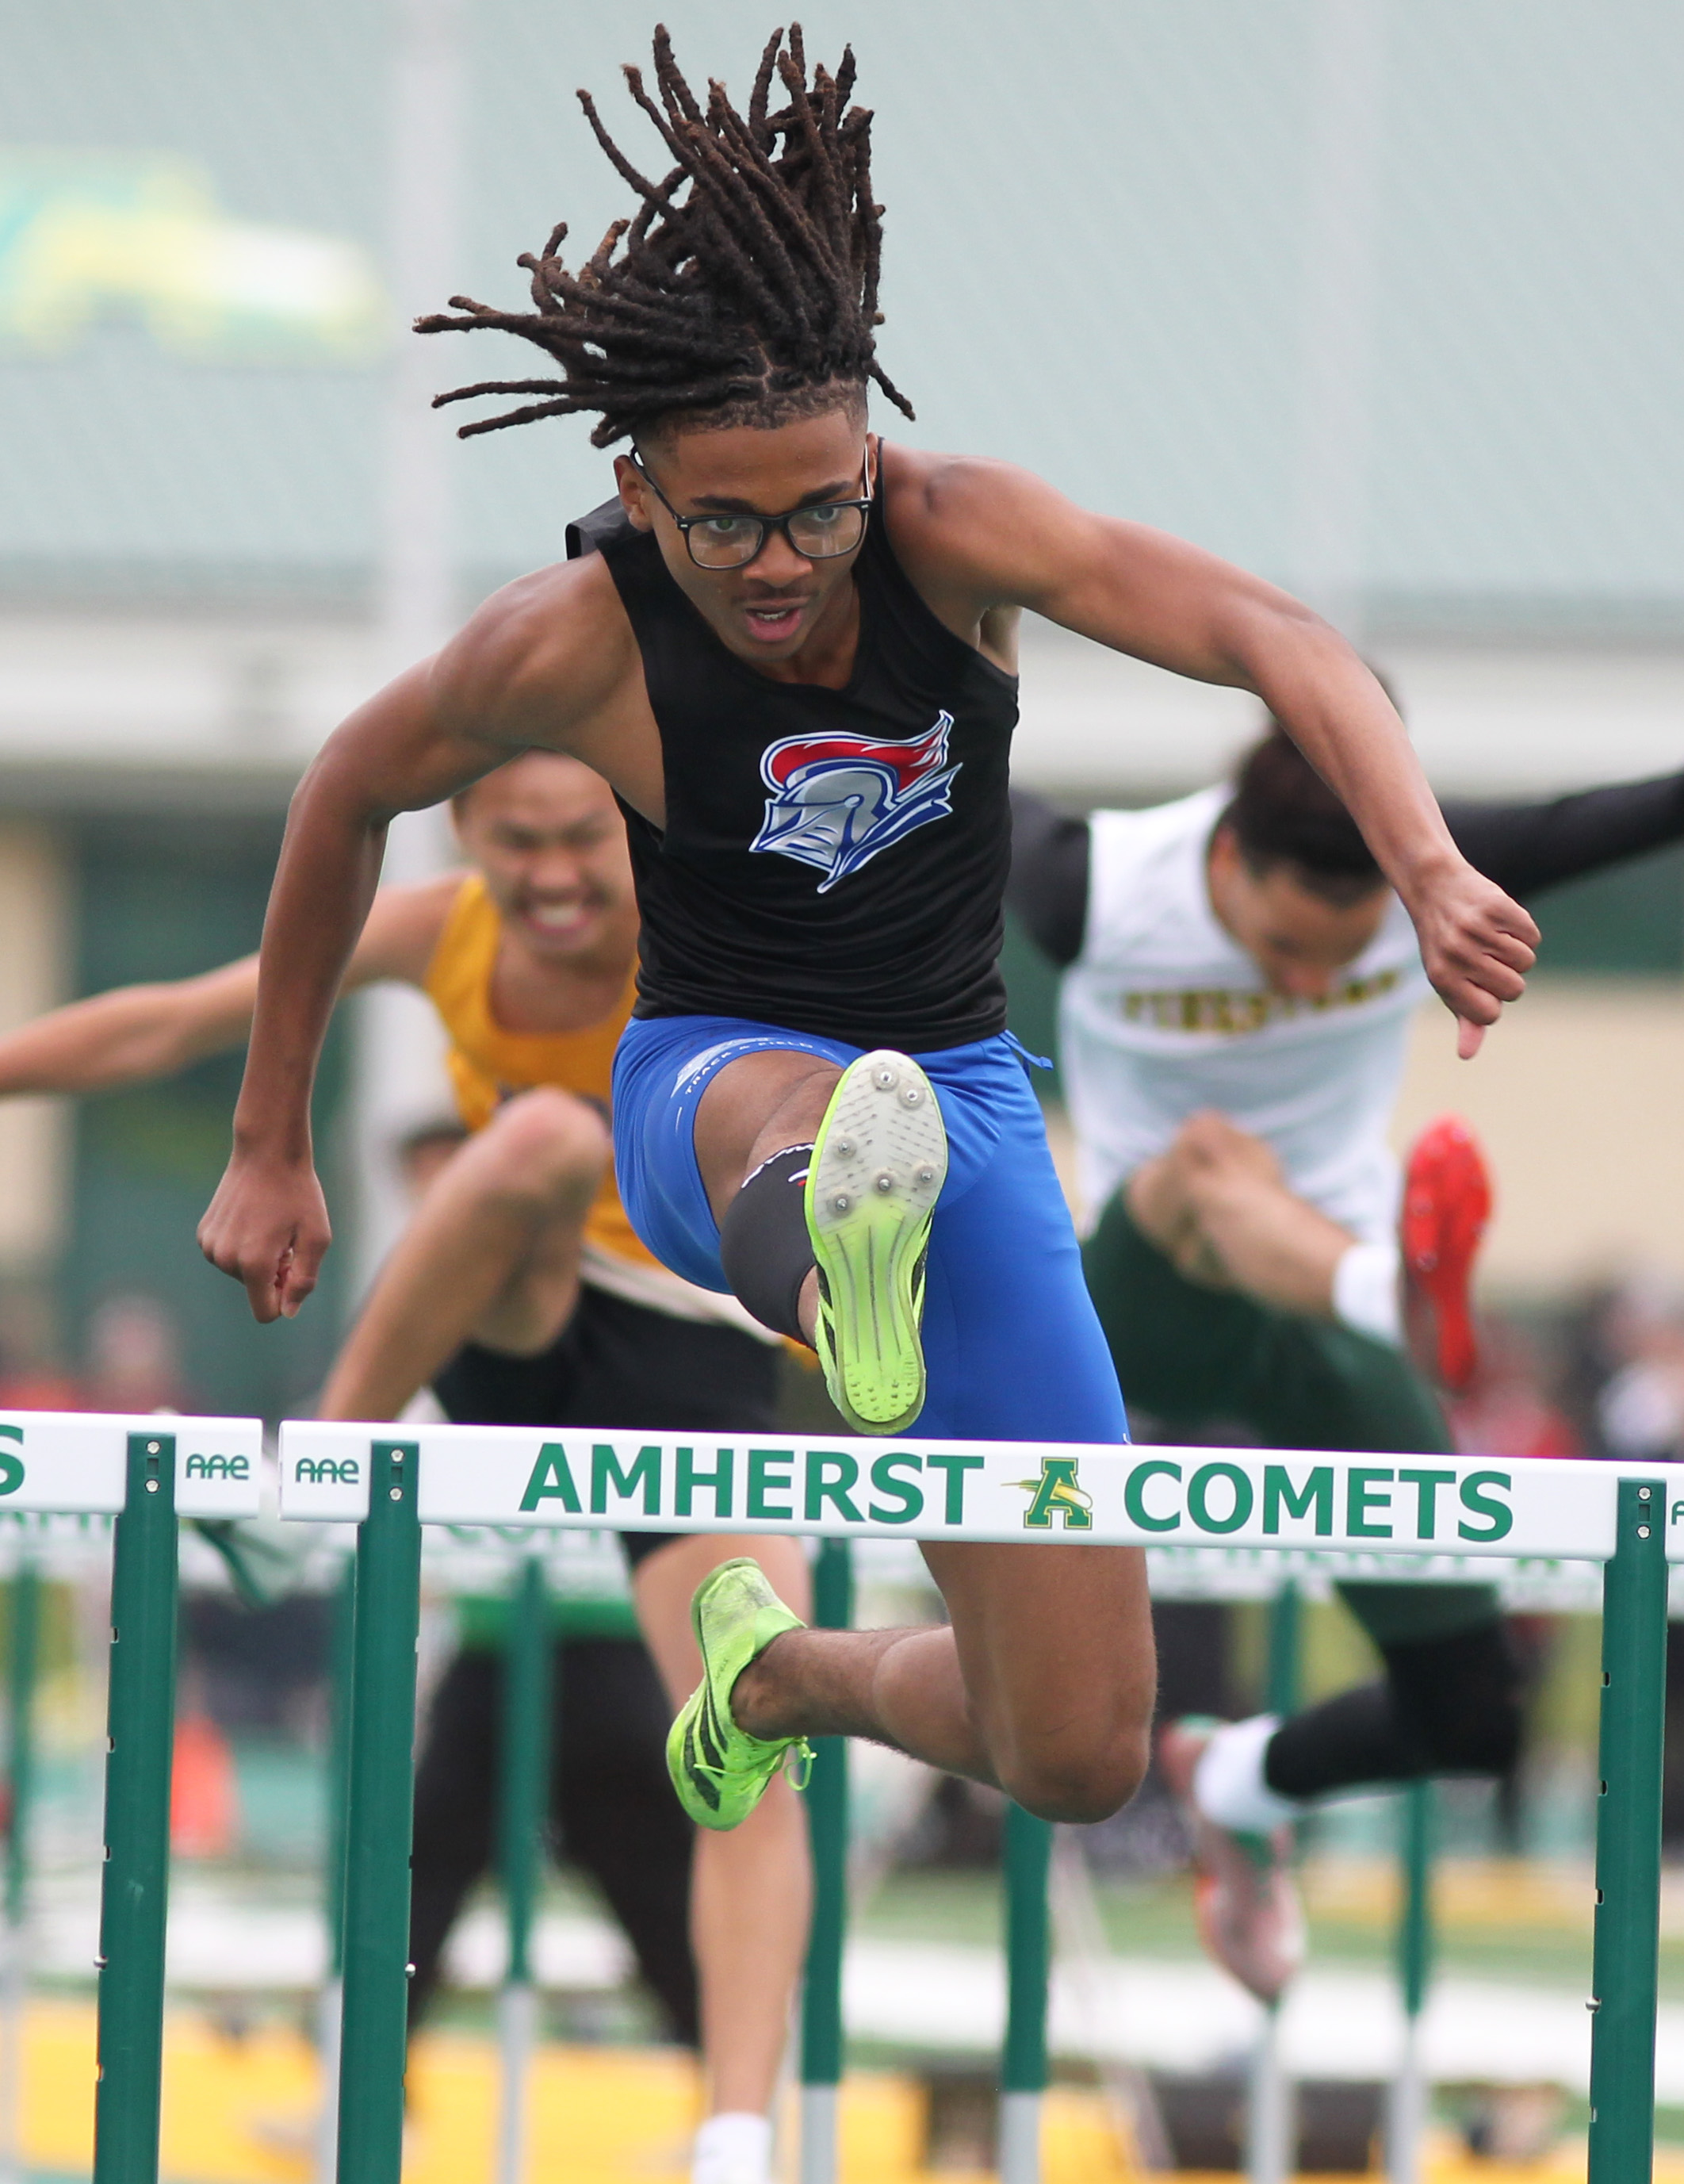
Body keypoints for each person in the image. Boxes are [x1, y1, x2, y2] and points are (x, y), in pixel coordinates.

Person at [197, 23, 1536, 1947]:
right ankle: (830, 1253)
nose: (779, 564)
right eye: (725, 518)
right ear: (639, 487)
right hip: (708, 1085)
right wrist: (270, 1143)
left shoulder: (948, 533)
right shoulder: (569, 643)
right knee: (813, 1124)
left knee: (1072, 1745)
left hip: (970, 1109)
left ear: (870, 455)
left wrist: (1423, 862)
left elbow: (1268, 631)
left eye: (817, 507)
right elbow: (342, 791)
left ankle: (781, 1679)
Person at [0, 751, 807, 2184]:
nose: (551, 878)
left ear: (638, 828)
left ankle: (740, 2140)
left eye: (581, 842)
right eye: (515, 848)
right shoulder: (439, 928)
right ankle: (323, 1468)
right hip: (525, 1309)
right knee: (532, 1139)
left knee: (751, 1735)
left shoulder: (726, 915)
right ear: (463, 837)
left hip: (690, 1359)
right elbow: (176, 1025)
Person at [1008, 729, 1684, 1997]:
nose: (1306, 985)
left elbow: (1629, 808)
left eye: (1341, 958)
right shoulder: (1096, 881)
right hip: (1148, 1300)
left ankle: (1234, 1780)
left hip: (1327, 1330)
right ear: (1226, 854)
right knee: (1210, 1157)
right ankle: (1409, 1298)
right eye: (1276, 955)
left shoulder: (1436, 861)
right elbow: (942, 736)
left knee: (1473, 1712)